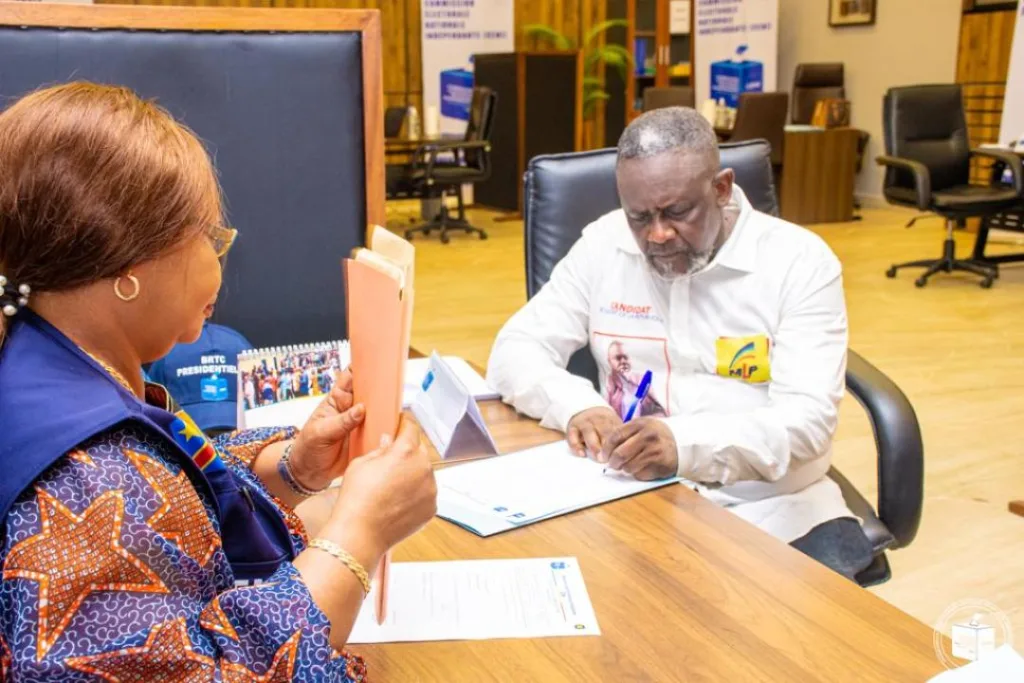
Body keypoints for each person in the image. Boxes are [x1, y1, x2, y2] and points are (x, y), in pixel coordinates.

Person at [0, 82, 437, 679]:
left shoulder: (46, 363)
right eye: (207, 236)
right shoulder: (84, 486)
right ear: (128, 269)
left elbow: (166, 493)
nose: (218, 258)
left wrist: (294, 465)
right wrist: (357, 535)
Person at [487, 107, 873, 580]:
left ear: (722, 189)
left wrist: (683, 445)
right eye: (639, 216)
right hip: (632, 500)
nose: (658, 235)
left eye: (677, 212)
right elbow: (516, 348)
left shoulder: (798, 262)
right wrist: (576, 406)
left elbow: (807, 422)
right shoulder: (604, 245)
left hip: (772, 507)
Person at [605, 340, 666, 419]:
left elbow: (660, 410)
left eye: (625, 357)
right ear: (609, 361)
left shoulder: (642, 380)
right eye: (618, 358)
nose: (623, 361)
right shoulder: (609, 385)